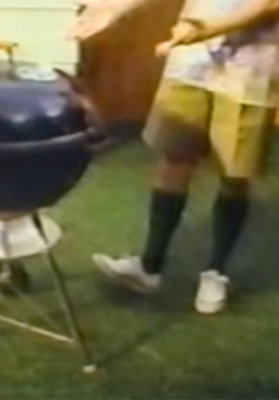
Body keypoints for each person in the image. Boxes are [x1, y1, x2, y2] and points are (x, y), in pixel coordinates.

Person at [69, 0, 279, 314]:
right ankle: (149, 267)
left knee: (235, 174)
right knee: (173, 158)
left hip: (250, 69)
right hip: (190, 65)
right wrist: (114, 6)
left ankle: (215, 273)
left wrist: (202, 29)